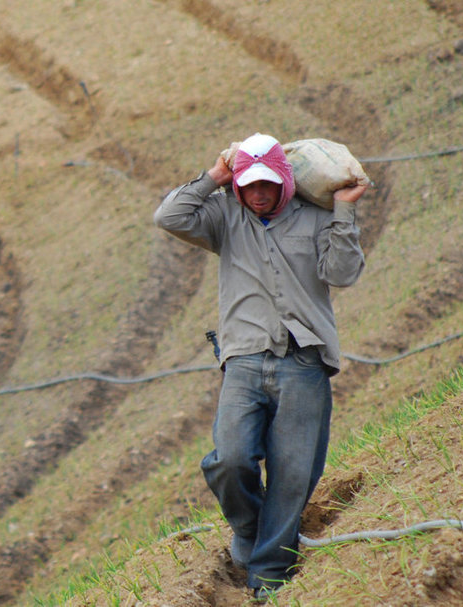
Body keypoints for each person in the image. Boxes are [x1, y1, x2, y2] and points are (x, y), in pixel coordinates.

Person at [153, 133, 367, 600]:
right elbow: (168, 215)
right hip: (244, 361)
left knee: (293, 476)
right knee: (230, 459)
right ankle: (250, 532)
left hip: (304, 362)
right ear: (238, 186)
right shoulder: (225, 218)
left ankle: (268, 575)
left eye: (267, 184)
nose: (258, 194)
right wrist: (214, 176)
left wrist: (345, 209)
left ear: (285, 181)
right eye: (248, 185)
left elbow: (343, 274)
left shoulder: (317, 219)